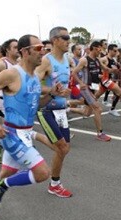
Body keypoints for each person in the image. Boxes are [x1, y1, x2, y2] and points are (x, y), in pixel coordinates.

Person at [0, 34, 55, 220]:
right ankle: (0, 186)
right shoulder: (12, 74)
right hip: (12, 133)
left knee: (6, 173)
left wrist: (52, 95)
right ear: (26, 52)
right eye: (39, 48)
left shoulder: (34, 77)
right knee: (42, 173)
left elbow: (35, 105)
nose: (43, 52)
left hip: (25, 133)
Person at [35, 26, 74, 197]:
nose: (68, 41)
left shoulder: (66, 59)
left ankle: (33, 136)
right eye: (65, 38)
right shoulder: (46, 61)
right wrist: (52, 90)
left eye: (68, 37)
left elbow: (64, 85)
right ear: (55, 40)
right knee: (62, 147)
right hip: (46, 109)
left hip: (61, 111)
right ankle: (55, 184)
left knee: (65, 149)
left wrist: (66, 94)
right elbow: (32, 84)